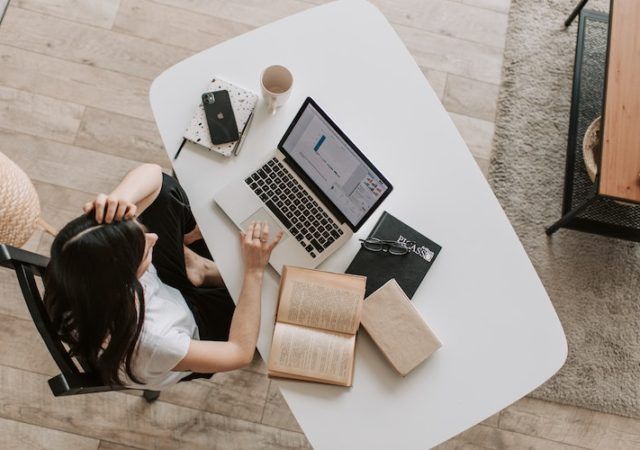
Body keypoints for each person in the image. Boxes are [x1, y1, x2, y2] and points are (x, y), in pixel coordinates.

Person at [43, 164, 282, 390]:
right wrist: (254, 270)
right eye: (144, 249)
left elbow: (155, 176)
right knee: (273, 299)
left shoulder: (75, 261)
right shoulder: (156, 342)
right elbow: (239, 353)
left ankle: (196, 269)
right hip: (194, 329)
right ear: (125, 280)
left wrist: (120, 199)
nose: (153, 238)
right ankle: (202, 271)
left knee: (166, 193)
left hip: (161, 296)